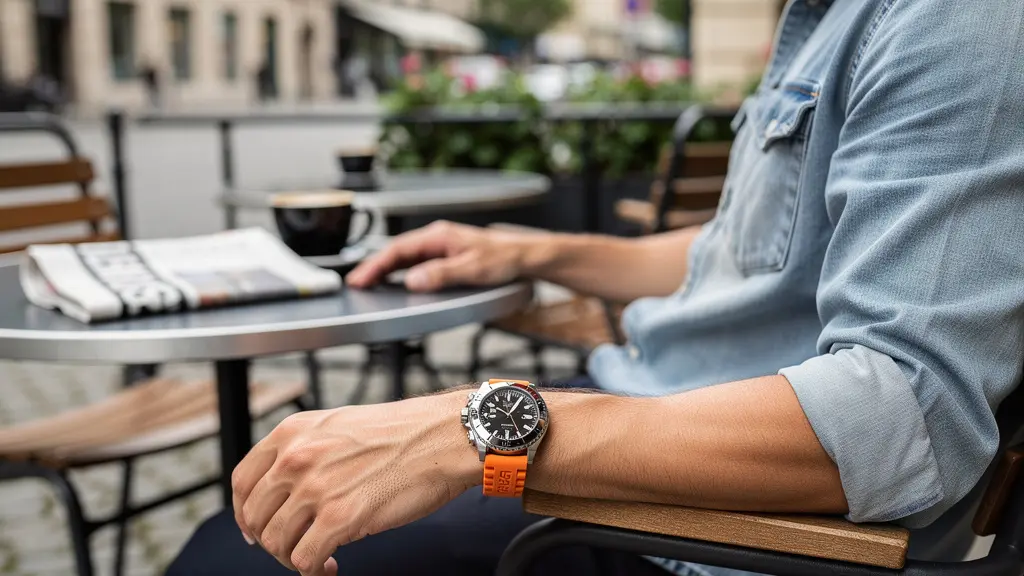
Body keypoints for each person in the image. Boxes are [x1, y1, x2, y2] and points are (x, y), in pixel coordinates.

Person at [167, 0, 1024, 574]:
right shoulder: (832, 16)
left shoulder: (955, 22)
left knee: (232, 558)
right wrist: (529, 252)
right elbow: (743, 257)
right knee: (240, 530)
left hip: (707, 534)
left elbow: (905, 417)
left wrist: (471, 426)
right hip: (644, 432)